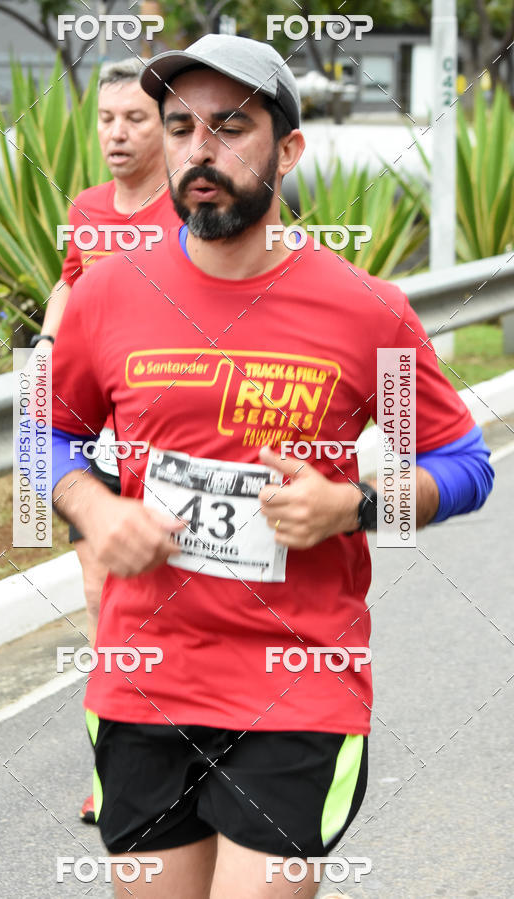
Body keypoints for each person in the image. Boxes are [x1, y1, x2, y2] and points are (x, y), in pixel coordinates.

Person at [49, 35, 494, 898]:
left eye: (230, 126)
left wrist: (354, 505)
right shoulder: (108, 294)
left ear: (288, 149)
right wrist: (94, 509)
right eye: (181, 127)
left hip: (299, 691)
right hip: (144, 684)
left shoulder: (367, 313)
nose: (199, 150)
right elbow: (48, 434)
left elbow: (462, 463)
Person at [32, 56, 181, 823]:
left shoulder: (190, 207)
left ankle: (199, 745)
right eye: (106, 119)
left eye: (136, 120)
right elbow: (71, 279)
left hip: (170, 433)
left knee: (177, 601)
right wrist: (48, 343)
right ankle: (112, 770)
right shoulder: (88, 206)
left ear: (166, 127)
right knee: (102, 597)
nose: (117, 134)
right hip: (96, 432)